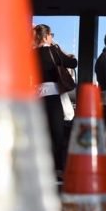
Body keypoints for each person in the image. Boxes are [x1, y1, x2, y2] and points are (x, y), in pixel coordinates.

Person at [33, 24, 78, 173]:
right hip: (52, 95)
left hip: (36, 96)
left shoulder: (30, 54)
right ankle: (57, 168)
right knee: (57, 133)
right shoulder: (53, 51)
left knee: (41, 132)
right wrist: (61, 51)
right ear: (46, 36)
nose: (52, 37)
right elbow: (73, 63)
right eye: (51, 34)